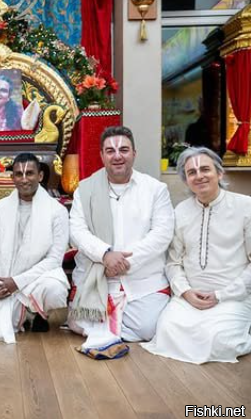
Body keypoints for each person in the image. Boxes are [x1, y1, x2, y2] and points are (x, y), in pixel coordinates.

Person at [68, 126, 174, 357]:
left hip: (140, 277)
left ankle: (105, 329)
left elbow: (162, 234)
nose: (117, 156)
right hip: (98, 275)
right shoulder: (84, 190)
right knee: (79, 323)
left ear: (134, 153)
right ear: (102, 155)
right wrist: (105, 255)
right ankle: (110, 327)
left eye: (124, 150)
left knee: (148, 328)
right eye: (110, 150)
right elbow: (77, 230)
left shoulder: (155, 190)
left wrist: (123, 262)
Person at [142, 148, 251, 363]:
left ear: (219, 173)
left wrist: (222, 294)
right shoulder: (180, 212)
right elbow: (173, 262)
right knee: (166, 330)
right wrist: (185, 292)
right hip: (190, 298)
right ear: (186, 180)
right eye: (191, 172)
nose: (199, 176)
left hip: (232, 296)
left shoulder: (246, 206)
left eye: (205, 169)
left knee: (218, 340)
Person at [0, 153, 70, 344]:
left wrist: (17, 282)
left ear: (40, 176)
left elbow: (54, 260)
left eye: (30, 173)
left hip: (37, 279)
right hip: (5, 279)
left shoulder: (57, 211)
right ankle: (26, 314)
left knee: (55, 289)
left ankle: (39, 313)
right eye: (19, 174)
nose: (24, 179)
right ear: (12, 178)